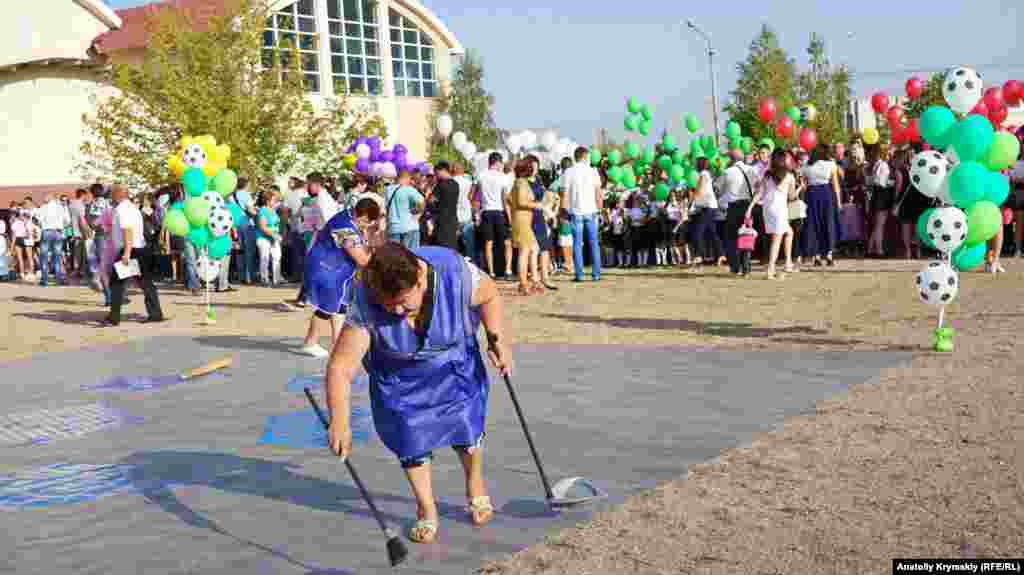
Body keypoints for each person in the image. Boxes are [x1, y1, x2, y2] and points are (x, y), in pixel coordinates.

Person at [324, 242, 512, 544]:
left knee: (467, 427)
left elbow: (490, 296)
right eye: (388, 305)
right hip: (400, 379)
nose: (397, 313)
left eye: (404, 304)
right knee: (410, 439)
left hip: (453, 365)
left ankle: (475, 485)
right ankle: (426, 507)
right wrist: (339, 420)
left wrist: (497, 340)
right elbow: (341, 367)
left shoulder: (455, 273)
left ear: (420, 280)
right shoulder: (366, 298)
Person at [299, 197, 383, 358]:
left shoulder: (348, 216)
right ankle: (310, 343)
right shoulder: (343, 227)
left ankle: (337, 340)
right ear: (361, 215)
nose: (366, 226)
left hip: (335, 269)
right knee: (326, 308)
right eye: (366, 222)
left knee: (340, 306)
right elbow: (361, 259)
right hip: (326, 269)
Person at [102, 184, 164, 326]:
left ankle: (114, 317)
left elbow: (127, 230)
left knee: (116, 284)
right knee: (146, 283)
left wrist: (127, 253)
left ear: (118, 195)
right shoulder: (133, 208)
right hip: (139, 249)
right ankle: (155, 313)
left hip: (129, 250)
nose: (111, 196)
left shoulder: (122, 209)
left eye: (112, 194)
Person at [748, 149, 803, 279]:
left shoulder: (767, 175)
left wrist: (749, 208)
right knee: (776, 240)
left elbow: (759, 193)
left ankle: (788, 263)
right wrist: (800, 188)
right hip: (780, 210)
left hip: (767, 209)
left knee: (788, 232)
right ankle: (770, 269)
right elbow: (792, 196)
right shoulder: (789, 176)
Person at [561, 146, 603, 282]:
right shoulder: (593, 171)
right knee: (594, 243)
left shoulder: (568, 172)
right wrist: (600, 209)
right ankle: (596, 274)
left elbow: (564, 194)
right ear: (585, 157)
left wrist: (563, 211)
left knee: (577, 245)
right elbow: (598, 193)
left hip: (576, 212)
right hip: (591, 211)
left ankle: (579, 274)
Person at [800, 144, 842, 266]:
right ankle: (829, 255)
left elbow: (803, 185)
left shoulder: (807, 166)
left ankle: (816, 256)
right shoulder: (831, 164)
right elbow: (836, 185)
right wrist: (839, 202)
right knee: (828, 223)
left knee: (814, 224)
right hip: (826, 194)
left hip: (812, 195)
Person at [507, 159, 544, 295]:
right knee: (525, 251)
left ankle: (534, 280)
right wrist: (537, 205)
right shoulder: (521, 182)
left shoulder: (518, 182)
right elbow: (521, 201)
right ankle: (523, 284)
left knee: (534, 248)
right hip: (522, 221)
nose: (533, 169)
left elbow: (508, 198)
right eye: (531, 167)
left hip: (522, 220)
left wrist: (514, 209)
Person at [720, 149, 757, 274]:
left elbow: (720, 189)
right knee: (746, 236)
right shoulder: (751, 170)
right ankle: (746, 267)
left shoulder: (727, 172)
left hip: (733, 207)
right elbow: (757, 187)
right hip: (748, 206)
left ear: (731, 159)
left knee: (731, 237)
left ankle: (735, 266)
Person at [477, 153, 513, 278]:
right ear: (497, 162)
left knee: (488, 243)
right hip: (500, 212)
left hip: (486, 212)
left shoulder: (481, 175)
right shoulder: (503, 177)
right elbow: (505, 199)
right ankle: (508, 270)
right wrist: (510, 217)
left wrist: (477, 212)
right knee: (507, 242)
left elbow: (472, 196)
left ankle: (491, 272)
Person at [687, 157, 724, 271]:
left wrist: (690, 203)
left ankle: (698, 257)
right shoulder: (707, 174)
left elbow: (699, 190)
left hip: (707, 207)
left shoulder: (703, 174)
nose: (695, 165)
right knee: (712, 232)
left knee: (698, 232)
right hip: (708, 206)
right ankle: (721, 254)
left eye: (696, 163)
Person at [385, 169, 426, 249]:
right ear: (407, 178)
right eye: (410, 179)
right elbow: (422, 202)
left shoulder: (387, 190)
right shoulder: (408, 189)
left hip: (393, 228)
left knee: (395, 255)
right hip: (409, 227)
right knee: (412, 254)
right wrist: (416, 212)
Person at [865, 143, 893, 258]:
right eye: (888, 152)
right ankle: (879, 251)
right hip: (882, 196)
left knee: (877, 224)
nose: (889, 154)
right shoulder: (883, 165)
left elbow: (871, 181)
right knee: (880, 225)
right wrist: (892, 183)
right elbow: (881, 182)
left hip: (877, 195)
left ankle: (870, 249)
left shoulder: (876, 164)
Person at [230, 178, 259, 284]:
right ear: (245, 185)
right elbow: (250, 209)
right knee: (249, 251)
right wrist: (258, 213)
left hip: (235, 224)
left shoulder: (231, 195)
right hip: (247, 224)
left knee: (239, 251)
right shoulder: (246, 195)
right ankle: (249, 276)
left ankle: (241, 275)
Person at [37, 193, 70, 286]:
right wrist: (61, 226)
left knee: (44, 256)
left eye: (45, 197)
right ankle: (58, 279)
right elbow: (68, 221)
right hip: (58, 232)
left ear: (49, 198)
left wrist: (42, 226)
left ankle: (44, 280)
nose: (44, 199)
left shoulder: (43, 207)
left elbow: (37, 220)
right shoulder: (61, 207)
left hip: (47, 231)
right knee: (57, 256)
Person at [430, 161, 461, 250]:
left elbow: (431, 201)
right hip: (453, 220)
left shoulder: (440, 185)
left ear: (442, 170)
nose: (436, 175)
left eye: (436, 173)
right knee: (451, 247)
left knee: (441, 248)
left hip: (442, 221)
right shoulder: (455, 184)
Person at [256, 189, 284, 285]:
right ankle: (264, 279)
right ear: (267, 201)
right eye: (273, 199)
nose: (275, 201)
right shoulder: (263, 211)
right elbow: (263, 227)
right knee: (265, 259)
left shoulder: (273, 210)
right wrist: (274, 235)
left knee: (277, 257)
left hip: (274, 238)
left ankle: (277, 279)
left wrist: (276, 235)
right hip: (264, 238)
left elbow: (276, 223)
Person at [453, 163, 477, 264]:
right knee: (469, 241)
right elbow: (471, 197)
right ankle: (470, 261)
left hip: (454, 214)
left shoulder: (451, 181)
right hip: (466, 213)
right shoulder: (468, 182)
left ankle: (455, 261)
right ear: (462, 171)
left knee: (455, 241)